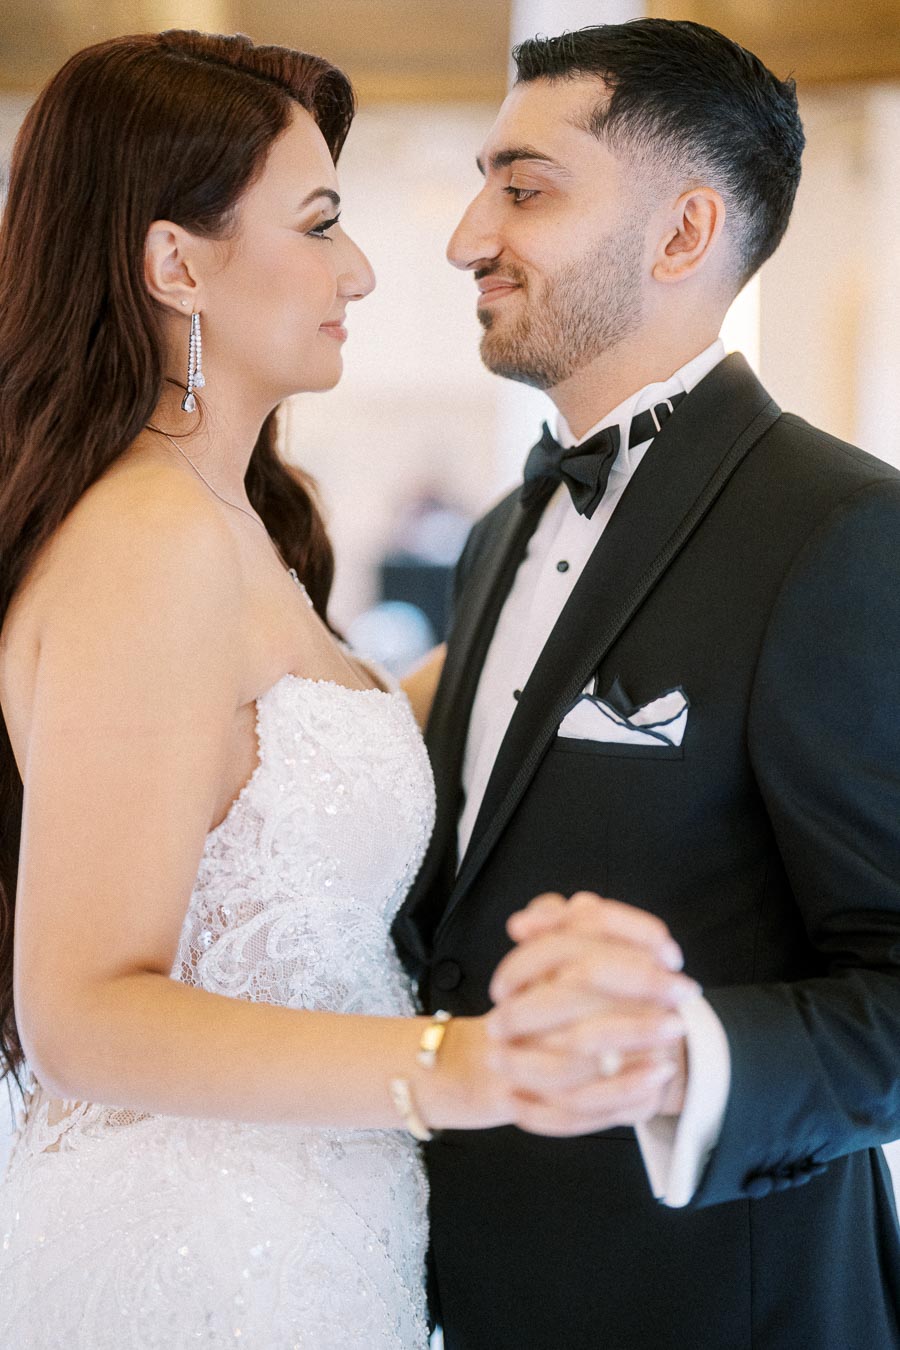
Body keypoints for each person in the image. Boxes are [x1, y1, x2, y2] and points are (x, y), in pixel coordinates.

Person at [2, 30, 670, 1347]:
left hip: (308, 1246)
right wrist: (465, 1066)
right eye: (318, 224)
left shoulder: (223, 522)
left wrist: (613, 584)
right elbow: (80, 1011)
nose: (360, 268)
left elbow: (311, 761)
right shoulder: (151, 540)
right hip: (196, 1268)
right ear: (173, 263)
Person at [394, 19, 900, 1350]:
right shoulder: (502, 534)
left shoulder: (840, 533)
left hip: (716, 1308)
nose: (464, 237)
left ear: (682, 236)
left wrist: (689, 1053)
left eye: (525, 187)